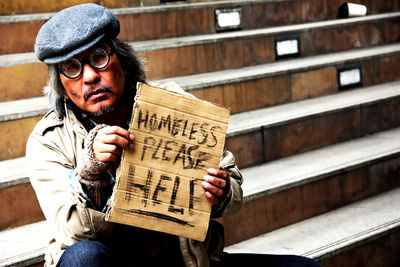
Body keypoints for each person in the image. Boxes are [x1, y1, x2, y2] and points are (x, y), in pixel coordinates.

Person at [27, 3, 320, 267]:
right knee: (82, 260)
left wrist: (219, 192)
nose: (90, 76)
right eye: (72, 68)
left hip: (185, 261)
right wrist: (92, 175)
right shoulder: (48, 141)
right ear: (62, 87)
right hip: (112, 262)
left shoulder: (169, 103)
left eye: (99, 57)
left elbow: (234, 191)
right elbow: (75, 232)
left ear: (123, 63)